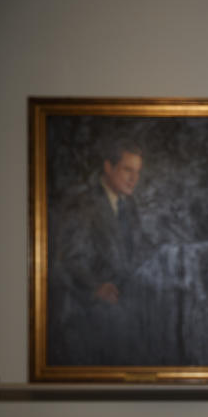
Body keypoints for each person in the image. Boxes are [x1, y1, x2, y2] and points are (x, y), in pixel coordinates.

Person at [47, 137, 151, 366]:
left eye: (138, 171)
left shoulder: (129, 206)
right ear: (108, 167)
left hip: (123, 318)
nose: (134, 178)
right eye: (127, 170)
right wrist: (96, 288)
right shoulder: (82, 203)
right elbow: (66, 261)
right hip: (87, 321)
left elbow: (137, 253)